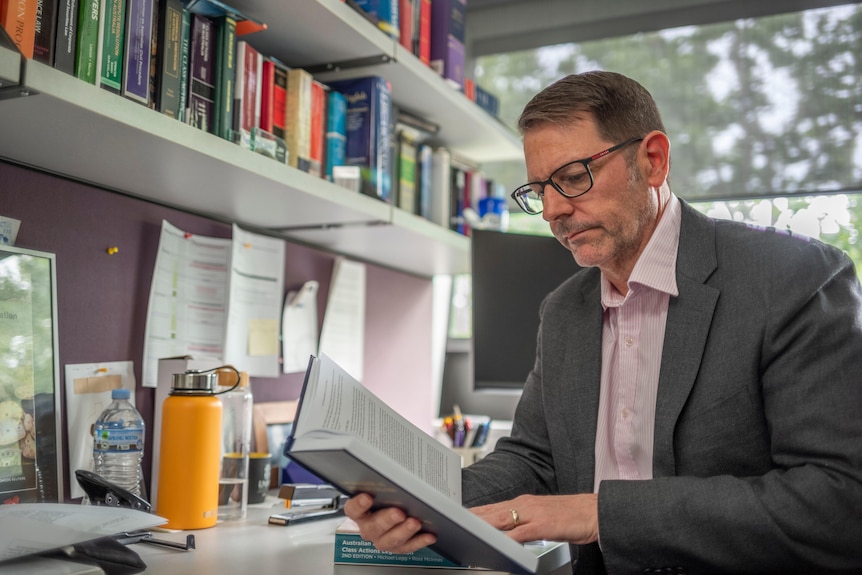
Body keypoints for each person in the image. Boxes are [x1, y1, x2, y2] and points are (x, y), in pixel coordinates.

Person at [344, 71, 862, 574]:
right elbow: (535, 460)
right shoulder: (564, 310)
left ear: (653, 161)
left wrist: (596, 513)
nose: (551, 211)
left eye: (572, 178)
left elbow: (838, 502)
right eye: (539, 190)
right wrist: (421, 499)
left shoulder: (794, 280)